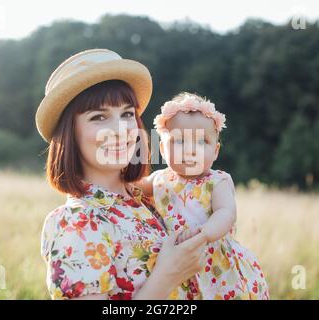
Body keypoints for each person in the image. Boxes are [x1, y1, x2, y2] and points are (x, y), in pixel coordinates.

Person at [36, 49, 208, 300]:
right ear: (69, 134)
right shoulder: (76, 222)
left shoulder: (151, 198)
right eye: (99, 117)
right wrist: (168, 275)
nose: (120, 130)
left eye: (127, 114)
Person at [136, 92, 270, 299]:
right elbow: (133, 188)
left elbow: (226, 213)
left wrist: (205, 233)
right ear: (162, 148)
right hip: (176, 265)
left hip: (216, 265)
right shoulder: (159, 179)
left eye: (201, 142)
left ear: (215, 151)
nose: (190, 150)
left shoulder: (217, 182)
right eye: (179, 141)